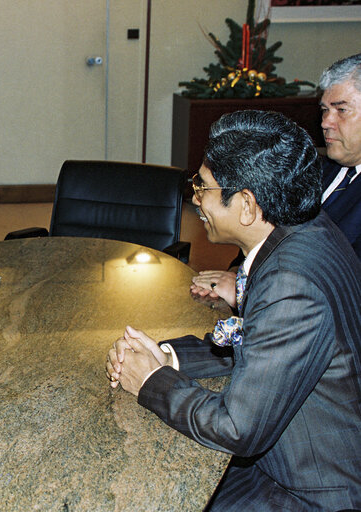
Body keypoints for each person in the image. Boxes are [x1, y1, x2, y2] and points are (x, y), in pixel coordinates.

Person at [107, 110, 361, 510]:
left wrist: (152, 380)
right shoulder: (307, 228)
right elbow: (265, 346)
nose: (195, 199)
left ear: (246, 205)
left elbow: (238, 427)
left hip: (311, 487)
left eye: (203, 187)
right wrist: (169, 357)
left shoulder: (291, 285)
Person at [192, 53, 361, 306]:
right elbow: (260, 228)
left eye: (341, 110)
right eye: (325, 110)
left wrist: (246, 290)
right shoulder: (317, 168)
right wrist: (240, 273)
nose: (326, 122)